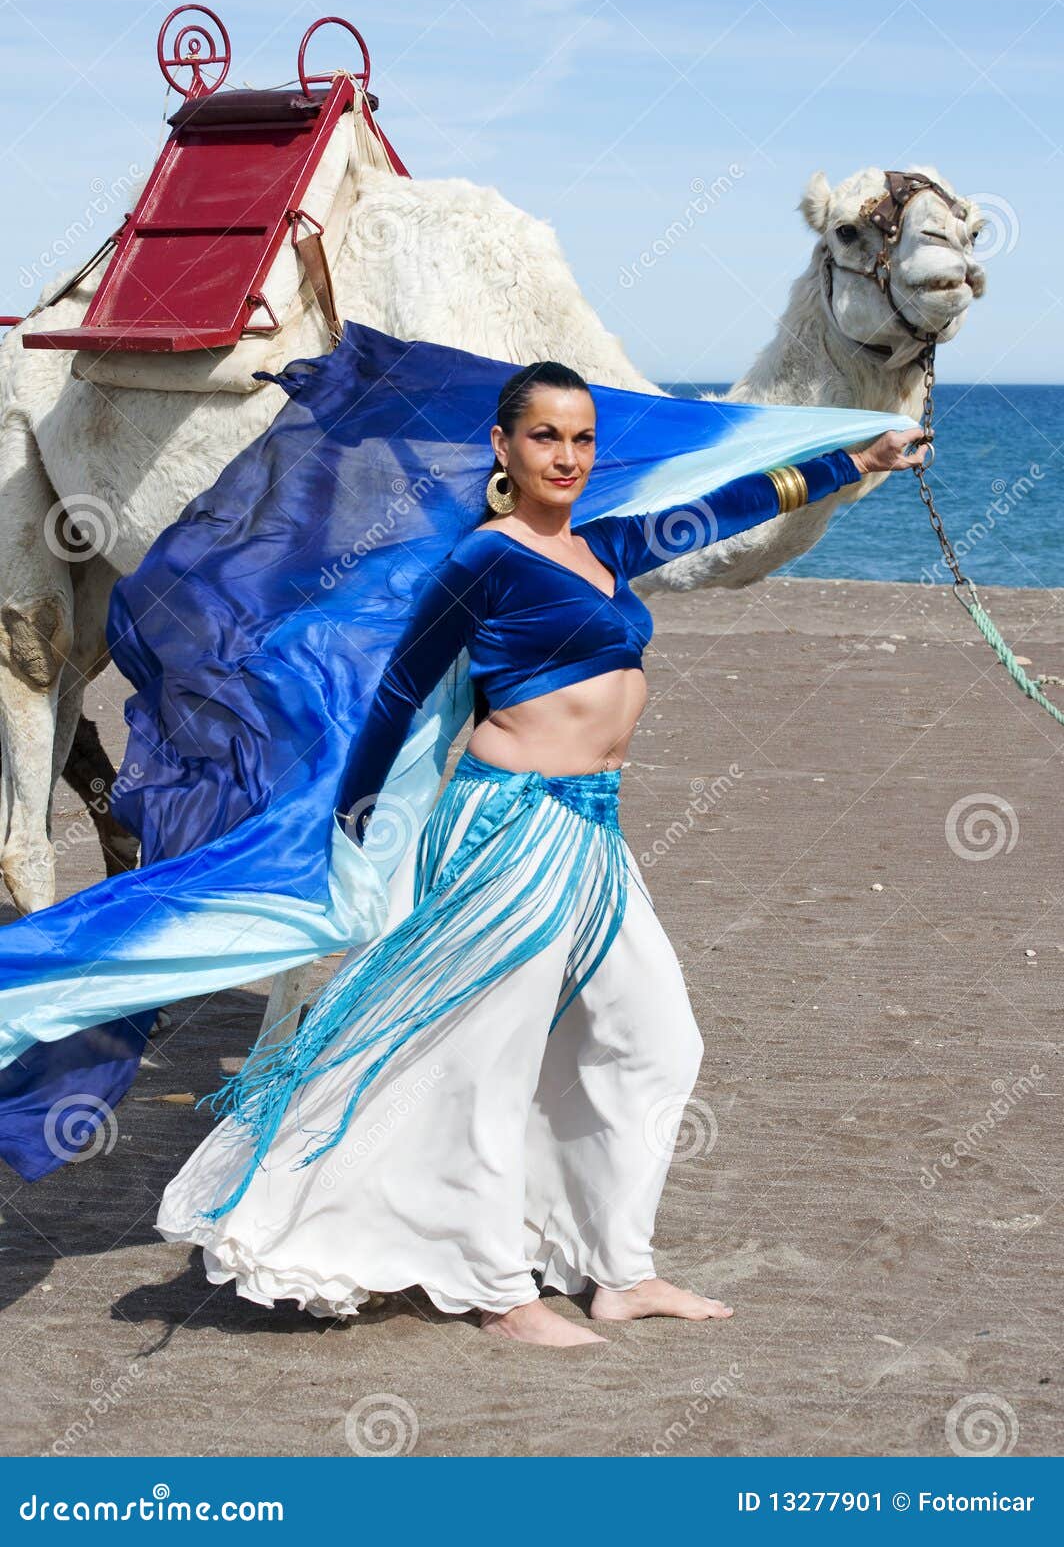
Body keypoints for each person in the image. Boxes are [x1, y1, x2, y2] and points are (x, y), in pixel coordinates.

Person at [155, 360, 928, 1347]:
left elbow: (727, 508)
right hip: (509, 830)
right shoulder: (484, 559)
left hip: (593, 828)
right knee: (487, 1057)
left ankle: (620, 1272)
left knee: (655, 1038)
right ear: (503, 446)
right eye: (545, 436)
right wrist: (353, 818)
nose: (566, 456)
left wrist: (855, 461)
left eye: (581, 438)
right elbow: (399, 690)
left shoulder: (606, 543)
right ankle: (497, 1288)